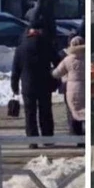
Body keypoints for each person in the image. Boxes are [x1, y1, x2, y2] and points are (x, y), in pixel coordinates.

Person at [11, 17, 62, 148]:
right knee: (45, 112)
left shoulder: (20, 49)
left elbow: (16, 70)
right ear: (40, 31)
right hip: (45, 84)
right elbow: (58, 63)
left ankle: (32, 141)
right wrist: (55, 76)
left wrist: (14, 86)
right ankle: (47, 139)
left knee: (30, 113)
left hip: (28, 86)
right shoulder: (46, 45)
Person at [52, 36, 85, 140]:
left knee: (75, 112)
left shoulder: (67, 60)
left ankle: (78, 138)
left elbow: (56, 73)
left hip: (73, 89)